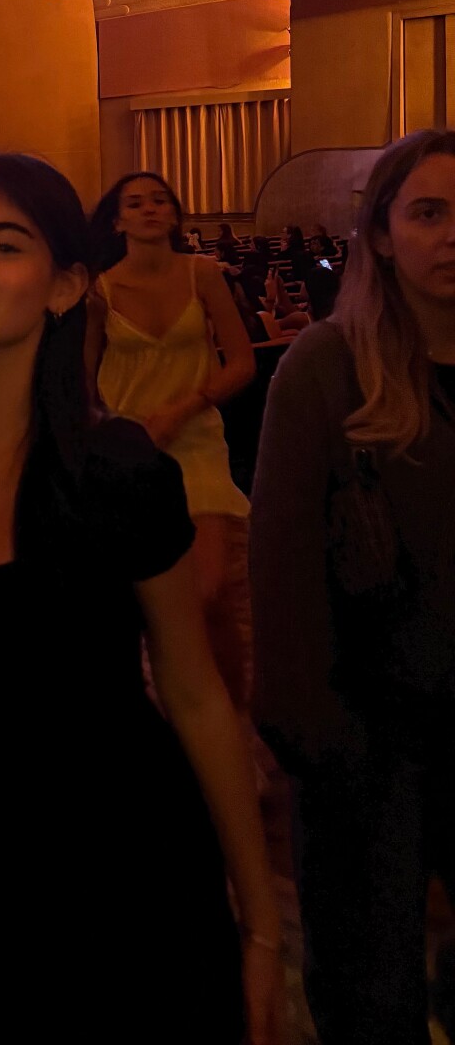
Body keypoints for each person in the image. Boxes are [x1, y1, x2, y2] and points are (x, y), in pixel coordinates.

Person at [0, 154, 281, 1043]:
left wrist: (261, 922)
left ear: (67, 286)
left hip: (121, 855)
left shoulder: (116, 470)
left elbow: (194, 694)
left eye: (5, 245)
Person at [250, 129, 455, 1045]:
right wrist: (321, 746)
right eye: (429, 213)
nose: (452, 235)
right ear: (381, 234)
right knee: (372, 1000)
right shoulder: (326, 369)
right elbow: (283, 578)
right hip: (368, 744)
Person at [87, 171, 255, 715]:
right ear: (118, 221)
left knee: (212, 592)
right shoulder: (101, 291)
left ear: (175, 215)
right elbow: (83, 383)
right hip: (132, 452)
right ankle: (179, 716)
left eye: (159, 200)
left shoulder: (201, 274)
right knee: (152, 608)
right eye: (135, 203)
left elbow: (242, 362)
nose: (149, 209)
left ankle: (235, 717)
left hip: (196, 442)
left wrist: (184, 408)